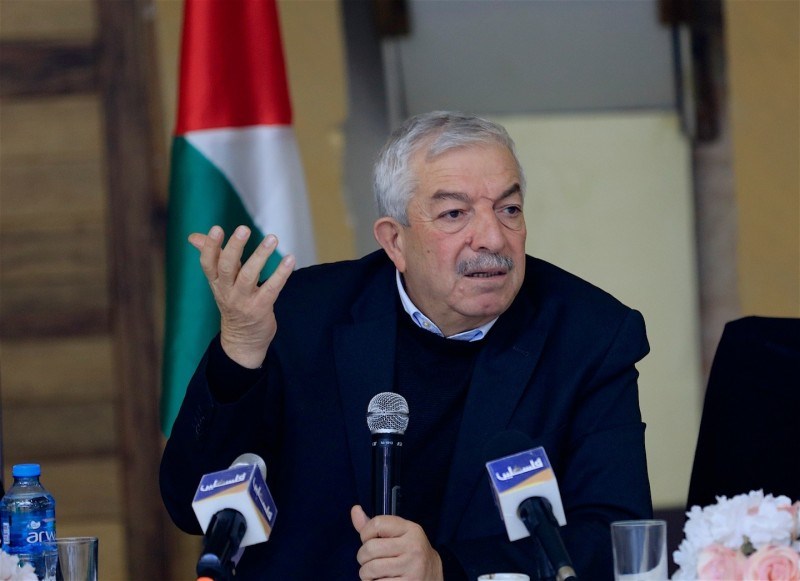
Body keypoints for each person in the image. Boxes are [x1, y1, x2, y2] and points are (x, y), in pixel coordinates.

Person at [160, 111, 653, 580]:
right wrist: (241, 354)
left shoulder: (590, 336)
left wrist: (447, 571)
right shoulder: (299, 315)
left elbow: (616, 538)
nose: (492, 238)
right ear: (394, 240)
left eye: (509, 209)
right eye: (455, 213)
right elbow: (191, 505)